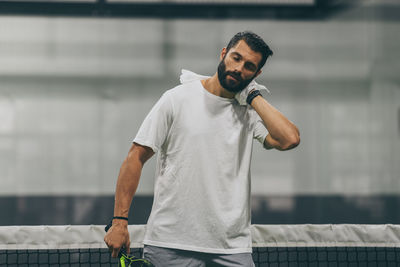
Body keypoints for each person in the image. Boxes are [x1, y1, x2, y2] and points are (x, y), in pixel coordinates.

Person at [104, 31, 300, 266]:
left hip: (232, 247)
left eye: (249, 66)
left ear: (256, 74)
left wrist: (253, 95)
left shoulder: (249, 112)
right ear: (224, 53)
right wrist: (119, 222)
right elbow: (135, 157)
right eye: (236, 58)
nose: (239, 69)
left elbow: (289, 139)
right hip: (170, 243)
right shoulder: (176, 99)